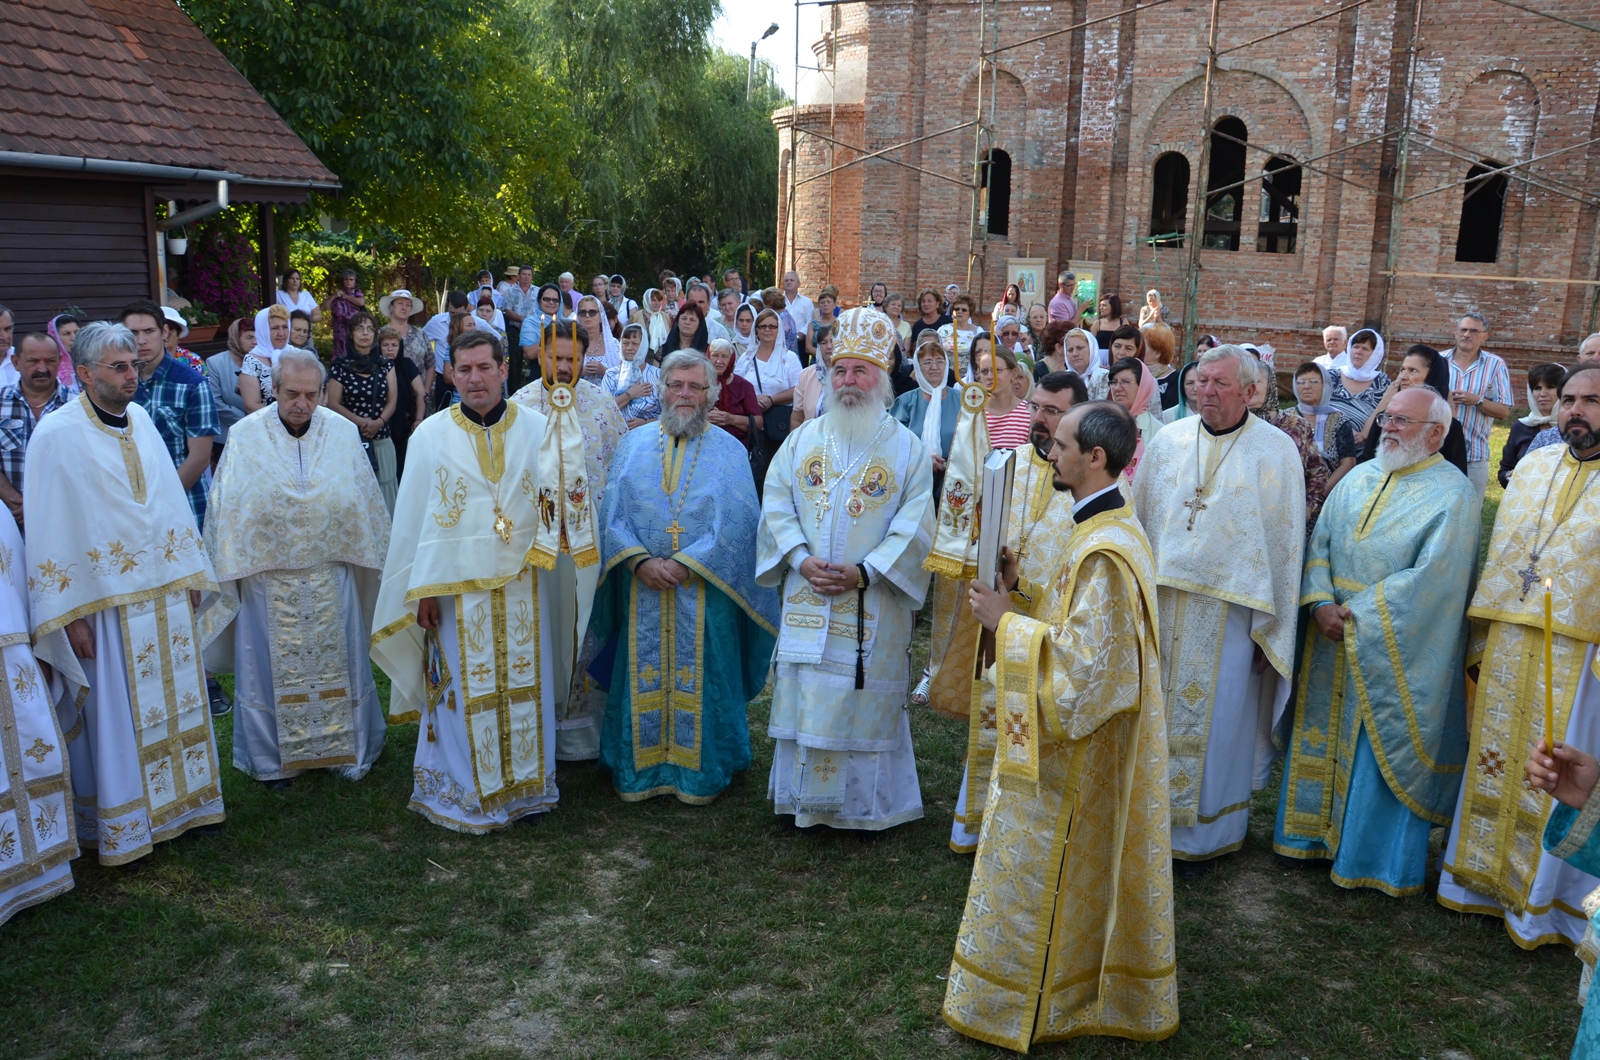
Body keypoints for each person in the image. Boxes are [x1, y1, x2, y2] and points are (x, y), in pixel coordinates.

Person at [946, 399, 1176, 1048]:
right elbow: (1078, 626)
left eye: (1062, 444)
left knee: (1044, 875)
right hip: (1079, 742)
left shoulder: (1105, 551)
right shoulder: (1100, 525)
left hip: (1075, 755)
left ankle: (1037, 993)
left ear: (1094, 458)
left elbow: (1081, 681)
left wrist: (1004, 624)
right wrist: (1020, 593)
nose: (1050, 450)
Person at [28, 321, 225, 865]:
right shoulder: (57, 433)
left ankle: (187, 806)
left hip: (163, 596)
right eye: (118, 367)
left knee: (182, 702)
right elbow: (51, 527)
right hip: (106, 606)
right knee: (120, 715)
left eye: (134, 365)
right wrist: (69, 617)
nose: (130, 375)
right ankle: (130, 823)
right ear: (86, 373)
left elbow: (167, 504)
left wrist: (188, 575)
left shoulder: (139, 419)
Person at [1275, 387, 1476, 895]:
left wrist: (1357, 615)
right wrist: (1319, 601)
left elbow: (1436, 580)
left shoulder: (1454, 494)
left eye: (1402, 421)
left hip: (1390, 643)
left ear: (1435, 433)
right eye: (1387, 417)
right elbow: (1318, 542)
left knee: (1376, 742)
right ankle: (1310, 838)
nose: (1387, 427)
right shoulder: (1360, 477)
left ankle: (1370, 858)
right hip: (1328, 634)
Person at [371, 330, 563, 832]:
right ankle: (468, 791)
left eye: (485, 367)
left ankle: (526, 791)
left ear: (504, 370)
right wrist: (424, 589)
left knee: (526, 684)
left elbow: (554, 507)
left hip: (524, 587)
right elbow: (414, 521)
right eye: (465, 369)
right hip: (455, 592)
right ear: (452, 374)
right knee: (460, 691)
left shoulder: (539, 428)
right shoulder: (430, 435)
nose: (475, 378)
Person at [1435, 364, 1600, 946]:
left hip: (1582, 658)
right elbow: (1507, 547)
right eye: (1570, 400)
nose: (1575, 410)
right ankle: (1477, 879)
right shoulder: (1533, 465)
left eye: (1592, 401)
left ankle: (1547, 904)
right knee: (1500, 758)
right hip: (1511, 637)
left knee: (1558, 768)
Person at [757, 308, 936, 832]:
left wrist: (868, 571)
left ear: (881, 380)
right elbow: (776, 502)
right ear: (828, 376)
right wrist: (798, 558)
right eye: (840, 371)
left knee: (860, 698)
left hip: (869, 601)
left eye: (861, 372)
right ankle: (803, 804)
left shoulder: (908, 449)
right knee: (811, 692)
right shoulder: (803, 440)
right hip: (808, 592)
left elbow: (917, 525)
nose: (849, 381)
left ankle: (863, 810)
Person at [1131, 345, 1305, 874]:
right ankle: (1144, 824)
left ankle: (1208, 834)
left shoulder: (1275, 451)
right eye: (1200, 381)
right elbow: (1140, 517)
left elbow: (1285, 544)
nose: (1205, 391)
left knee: (1221, 719)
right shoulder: (1168, 441)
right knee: (1152, 715)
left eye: (1218, 383)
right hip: (1162, 606)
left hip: (1231, 618)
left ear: (1250, 391)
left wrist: (1268, 629)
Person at [588, 351, 779, 803]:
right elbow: (611, 515)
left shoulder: (730, 450)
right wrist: (638, 561)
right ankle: (640, 767)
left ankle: (707, 766)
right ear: (662, 388)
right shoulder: (632, 446)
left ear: (711, 393)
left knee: (708, 674)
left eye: (695, 387)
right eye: (676, 384)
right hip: (642, 588)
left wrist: (684, 563)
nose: (685, 394)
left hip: (706, 591)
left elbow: (737, 525)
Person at [200, 349, 391, 789]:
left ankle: (348, 752)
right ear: (274, 389)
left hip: (330, 574)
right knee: (267, 669)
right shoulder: (245, 435)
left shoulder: (342, 432)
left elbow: (361, 501)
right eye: (291, 393)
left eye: (310, 394)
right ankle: (273, 762)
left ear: (322, 392)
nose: (301, 403)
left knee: (341, 660)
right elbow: (228, 510)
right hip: (268, 580)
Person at [945, 371, 1085, 854]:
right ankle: (978, 821)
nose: (1039, 419)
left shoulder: (1090, 484)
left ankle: (1025, 833)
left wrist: (1025, 589)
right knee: (991, 712)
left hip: (1049, 633)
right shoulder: (1010, 465)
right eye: (1037, 407)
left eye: (1053, 411)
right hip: (999, 623)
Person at [511, 320, 627, 762]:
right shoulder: (518, 406)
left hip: (588, 549)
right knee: (543, 632)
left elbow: (620, 474)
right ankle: (539, 729)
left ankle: (583, 738)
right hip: (534, 548)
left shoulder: (601, 406)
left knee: (586, 633)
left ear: (583, 360)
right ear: (540, 355)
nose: (563, 367)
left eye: (571, 359)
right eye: (555, 358)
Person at [0, 500, 74, 923]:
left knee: (29, 755)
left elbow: (21, 585)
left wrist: (40, 646)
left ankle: (40, 871)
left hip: (13, 660)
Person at [125, 300, 218, 530]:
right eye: (133, 333)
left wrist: (160, 502)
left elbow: (199, 459)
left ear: (164, 331)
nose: (141, 340)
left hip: (182, 505)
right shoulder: (119, 383)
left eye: (149, 331)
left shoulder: (192, 384)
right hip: (127, 509)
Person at [1247, 349, 1332, 538]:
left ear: (1270, 386)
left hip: (1286, 519)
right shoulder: (1235, 427)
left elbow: (1317, 471)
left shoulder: (1296, 425)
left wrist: (1308, 506)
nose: (1250, 387)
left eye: (1257, 381)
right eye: (1245, 382)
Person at [1356, 344, 1470, 475]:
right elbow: (1367, 460)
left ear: (1432, 376)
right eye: (1402, 370)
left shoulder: (1449, 427)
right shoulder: (1386, 418)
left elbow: (1456, 475)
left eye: (1413, 370)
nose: (1403, 377)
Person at [0, 332, 74, 529]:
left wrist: (40, 507)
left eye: (50, 361)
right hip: (8, 520)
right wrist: (15, 501)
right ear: (16, 362)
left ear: (59, 361)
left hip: (64, 520)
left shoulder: (77, 406)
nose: (42, 368)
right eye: (33, 361)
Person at [327, 311, 399, 513]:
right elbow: (333, 403)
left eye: (370, 329)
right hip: (352, 440)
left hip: (382, 437)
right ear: (350, 334)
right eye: (359, 328)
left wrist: (379, 421)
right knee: (355, 494)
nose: (365, 333)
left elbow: (393, 400)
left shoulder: (386, 365)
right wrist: (361, 422)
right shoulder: (340, 366)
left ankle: (388, 543)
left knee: (386, 493)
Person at [1444, 311, 1512, 506]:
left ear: (1484, 336)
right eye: (1463, 329)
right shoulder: (1438, 362)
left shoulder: (1495, 365)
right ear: (1455, 333)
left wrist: (1477, 401)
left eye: (1474, 331)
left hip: (1473, 455)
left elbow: (1503, 412)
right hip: (1438, 452)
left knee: (1470, 515)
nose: (1467, 334)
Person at [891, 333, 960, 485]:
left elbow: (970, 442)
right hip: (912, 479)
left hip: (953, 481)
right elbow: (893, 443)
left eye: (940, 361)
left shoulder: (961, 401)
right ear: (918, 367)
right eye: (927, 362)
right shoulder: (905, 402)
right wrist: (923, 458)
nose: (934, 367)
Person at [1292, 360, 1358, 493]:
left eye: (1314, 381)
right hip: (1290, 491)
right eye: (1301, 382)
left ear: (1326, 386)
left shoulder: (1339, 419)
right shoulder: (1286, 419)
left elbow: (1348, 463)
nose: (1306, 386)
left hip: (1328, 493)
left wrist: (1320, 494)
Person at [1500, 363, 1566, 487]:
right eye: (1537, 388)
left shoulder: (1573, 427)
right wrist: (1513, 475)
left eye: (1550, 387)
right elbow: (1504, 470)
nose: (1542, 393)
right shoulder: (1520, 427)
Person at [1327, 328, 1390, 443]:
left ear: (1375, 355)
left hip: (1359, 448)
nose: (1358, 352)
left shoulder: (1382, 383)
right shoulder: (1331, 375)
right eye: (1355, 346)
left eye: (1365, 349)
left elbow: (1386, 418)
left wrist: (1365, 435)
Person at [379, 325, 425, 478]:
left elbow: (420, 393)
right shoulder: (375, 366)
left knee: (404, 472)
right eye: (385, 345)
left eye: (394, 345)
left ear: (400, 347)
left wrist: (418, 419)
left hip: (405, 427)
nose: (390, 349)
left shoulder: (407, 364)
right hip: (381, 427)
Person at [204, 319, 251, 467]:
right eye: (249, 337)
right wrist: (247, 421)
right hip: (226, 438)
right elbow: (215, 402)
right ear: (235, 338)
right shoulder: (215, 363)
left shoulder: (264, 362)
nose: (255, 342)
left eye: (258, 337)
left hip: (257, 436)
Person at [1107, 357, 1162, 475]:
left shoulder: (1159, 432)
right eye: (1114, 382)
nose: (1117, 388)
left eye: (1125, 381)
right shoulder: (1103, 425)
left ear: (1143, 386)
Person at [602, 323, 661, 428]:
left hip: (648, 436)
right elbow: (603, 410)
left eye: (634, 343)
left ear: (643, 345)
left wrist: (645, 422)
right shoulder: (611, 375)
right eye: (625, 343)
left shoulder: (658, 376)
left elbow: (668, 414)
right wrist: (630, 394)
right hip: (615, 436)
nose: (629, 348)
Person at [705, 338, 761, 445]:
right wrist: (705, 418)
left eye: (725, 356)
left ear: (731, 359)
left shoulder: (744, 386)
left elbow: (758, 423)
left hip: (737, 445)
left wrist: (731, 419)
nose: (719, 361)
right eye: (715, 355)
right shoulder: (698, 383)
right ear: (708, 356)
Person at [241, 305, 293, 413]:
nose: (281, 333)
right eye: (274, 328)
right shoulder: (252, 361)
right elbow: (251, 406)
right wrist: (286, 416)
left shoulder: (297, 355)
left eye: (285, 327)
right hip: (266, 423)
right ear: (262, 330)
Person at [976, 345, 1030, 448]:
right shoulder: (974, 414)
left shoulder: (1028, 412)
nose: (990, 377)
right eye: (984, 371)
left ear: (1013, 374)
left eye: (997, 370)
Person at [936, 295, 981, 380]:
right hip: (946, 375)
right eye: (957, 309)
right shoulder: (943, 329)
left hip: (970, 376)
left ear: (970, 313)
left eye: (963, 310)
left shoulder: (977, 331)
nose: (960, 311)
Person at [324, 269, 365, 359]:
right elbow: (324, 307)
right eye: (346, 279)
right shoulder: (337, 294)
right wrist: (334, 296)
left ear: (355, 281)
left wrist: (346, 297)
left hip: (355, 329)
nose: (348, 282)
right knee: (339, 354)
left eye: (351, 279)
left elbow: (361, 302)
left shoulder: (357, 293)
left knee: (355, 352)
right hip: (339, 331)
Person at [1064, 326, 1109, 400]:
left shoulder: (1107, 377)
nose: (1075, 353)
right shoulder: (1062, 379)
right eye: (1070, 350)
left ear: (1092, 349)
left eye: (1080, 348)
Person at [1143, 322, 1180, 414]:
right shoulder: (1134, 373)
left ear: (1157, 353)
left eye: (1143, 347)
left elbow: (1167, 412)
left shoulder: (1175, 378)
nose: (1138, 349)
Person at [803, 285, 840, 365]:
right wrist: (824, 356)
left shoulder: (840, 323)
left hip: (835, 362)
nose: (825, 304)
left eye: (828, 302)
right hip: (816, 362)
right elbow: (808, 347)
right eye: (822, 302)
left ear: (834, 305)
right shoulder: (813, 324)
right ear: (819, 306)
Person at [908, 288, 951, 355]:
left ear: (937, 303)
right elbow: (913, 349)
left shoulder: (947, 321)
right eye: (923, 301)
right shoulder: (917, 325)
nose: (926, 304)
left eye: (929, 301)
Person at [159, 307, 202, 371]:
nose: (164, 337)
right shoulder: (144, 359)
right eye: (160, 332)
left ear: (178, 334)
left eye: (168, 333)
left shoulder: (193, 360)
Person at [47, 313, 81, 390]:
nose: (73, 338)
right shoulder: (50, 367)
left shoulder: (91, 360)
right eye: (66, 334)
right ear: (55, 337)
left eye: (76, 332)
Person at [782, 271, 814, 339]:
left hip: (801, 341)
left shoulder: (807, 302)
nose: (788, 282)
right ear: (783, 284)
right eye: (786, 280)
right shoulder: (777, 301)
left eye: (792, 280)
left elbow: (810, 321)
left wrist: (801, 334)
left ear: (798, 284)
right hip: (781, 340)